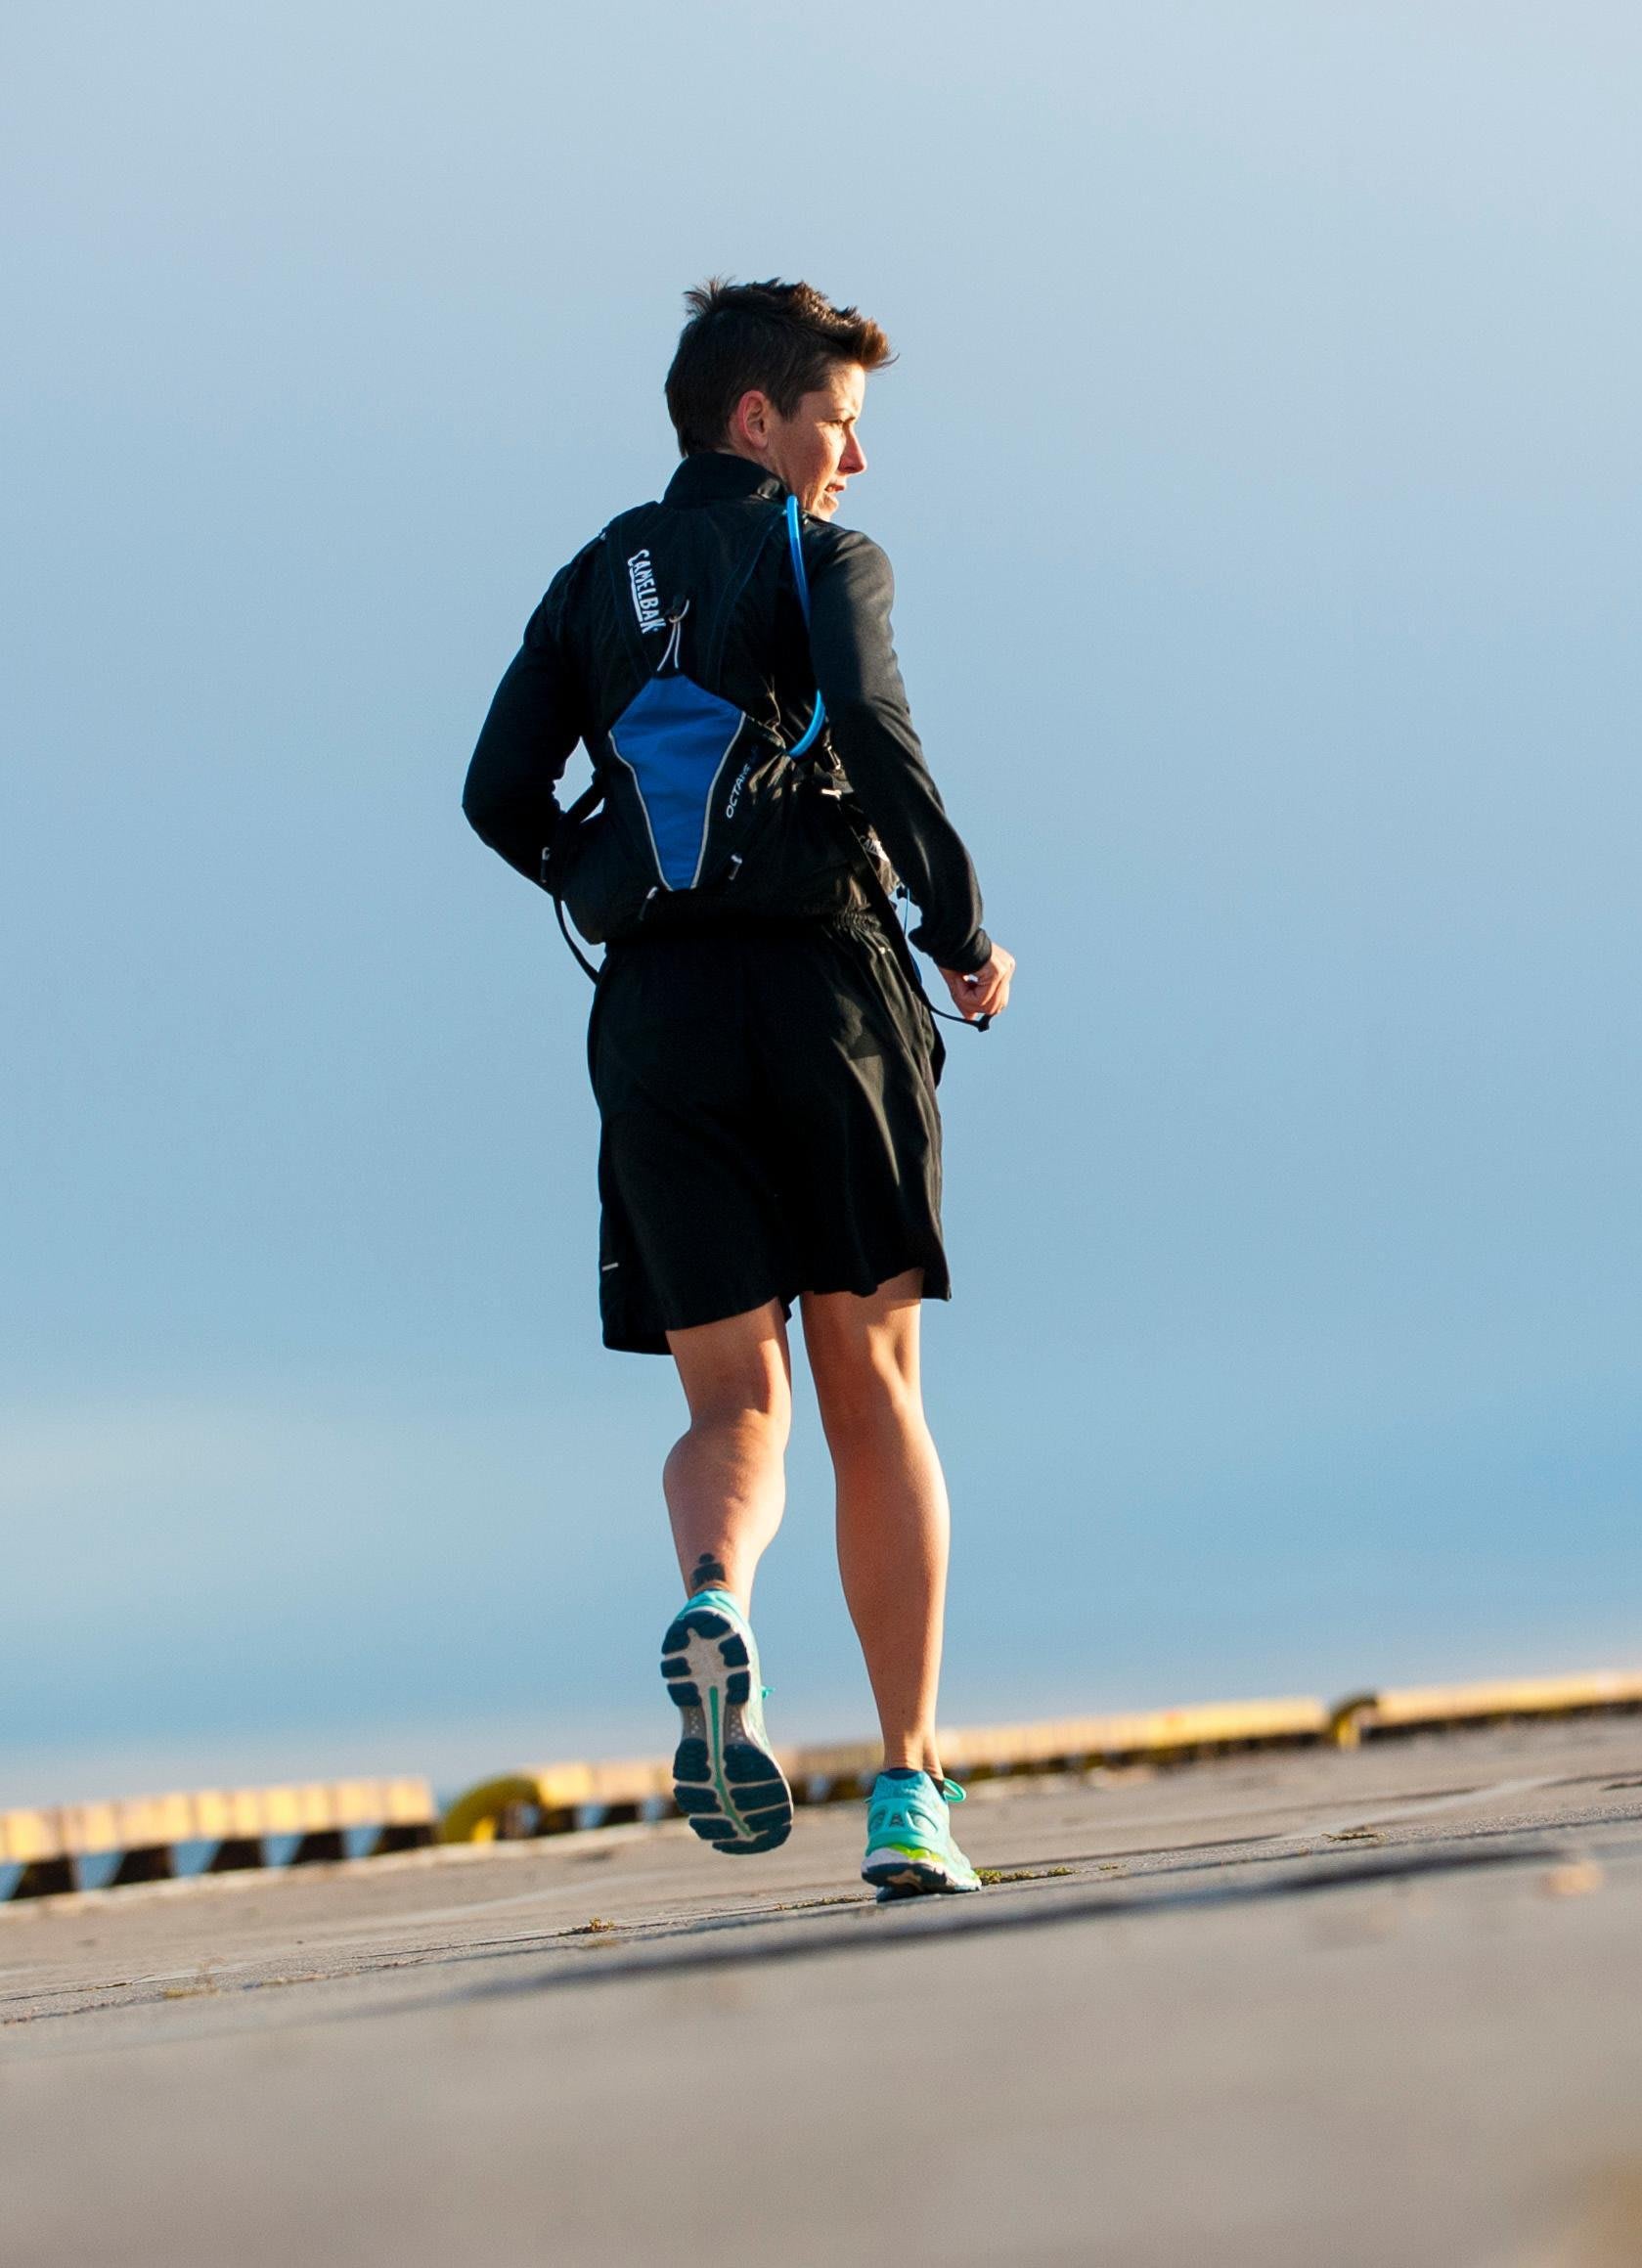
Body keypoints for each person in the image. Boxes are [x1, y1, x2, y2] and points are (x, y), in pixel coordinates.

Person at [463, 279, 1014, 1897]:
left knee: (732, 1405)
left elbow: (497, 790)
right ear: (756, 420)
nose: (856, 460)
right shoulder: (821, 556)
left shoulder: (591, 578)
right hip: (826, 990)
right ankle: (908, 1791)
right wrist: (961, 930)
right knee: (875, 1388)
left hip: (659, 1019)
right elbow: (878, 737)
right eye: (839, 422)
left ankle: (715, 1598)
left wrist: (606, 874)